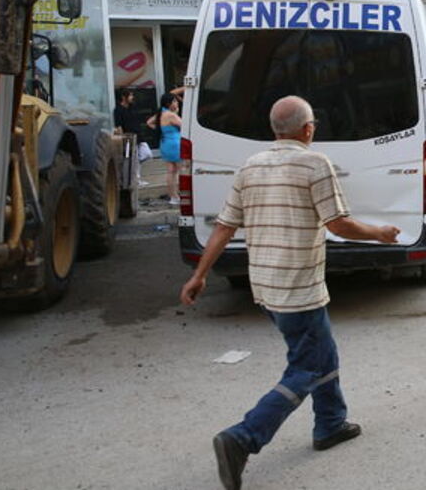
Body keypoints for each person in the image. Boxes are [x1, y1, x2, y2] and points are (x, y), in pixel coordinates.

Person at [179, 96, 400, 490]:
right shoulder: (315, 164)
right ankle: (243, 438)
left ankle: (330, 423)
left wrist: (199, 275)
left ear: (274, 130)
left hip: (265, 285)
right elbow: (340, 224)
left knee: (321, 352)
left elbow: (224, 227)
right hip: (299, 287)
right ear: (308, 129)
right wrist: (380, 234)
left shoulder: (250, 166)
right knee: (307, 367)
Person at [147, 92, 181, 205]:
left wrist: (161, 129)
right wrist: (176, 113)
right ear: (169, 103)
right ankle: (180, 194)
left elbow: (149, 123)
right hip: (175, 144)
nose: (177, 103)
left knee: (170, 172)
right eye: (175, 101)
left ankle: (173, 197)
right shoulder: (171, 115)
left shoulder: (160, 113)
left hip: (165, 143)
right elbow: (184, 125)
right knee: (181, 171)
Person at [114, 88, 152, 185]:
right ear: (123, 97)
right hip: (128, 136)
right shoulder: (118, 110)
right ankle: (136, 179)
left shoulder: (132, 107)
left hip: (138, 134)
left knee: (147, 153)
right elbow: (119, 126)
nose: (132, 97)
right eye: (130, 95)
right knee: (133, 157)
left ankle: (134, 171)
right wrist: (122, 137)